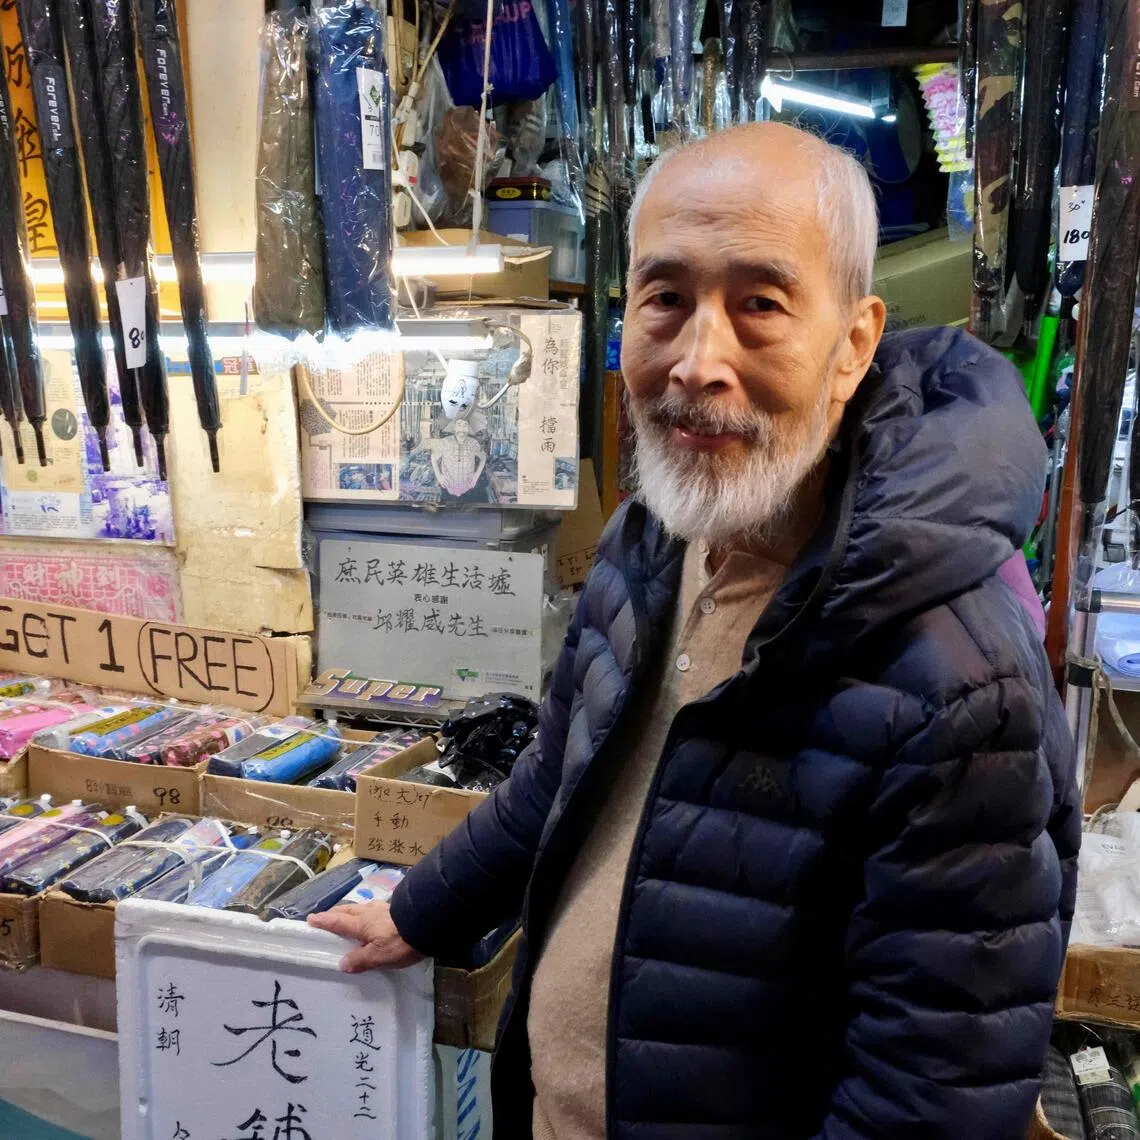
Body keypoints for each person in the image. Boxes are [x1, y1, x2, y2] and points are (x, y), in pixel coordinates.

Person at [311, 122, 1080, 1139]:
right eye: (666, 298)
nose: (697, 361)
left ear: (852, 344)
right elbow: (560, 775)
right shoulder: (652, 538)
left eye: (759, 304)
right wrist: (421, 912)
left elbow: (929, 1098)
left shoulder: (959, 680)